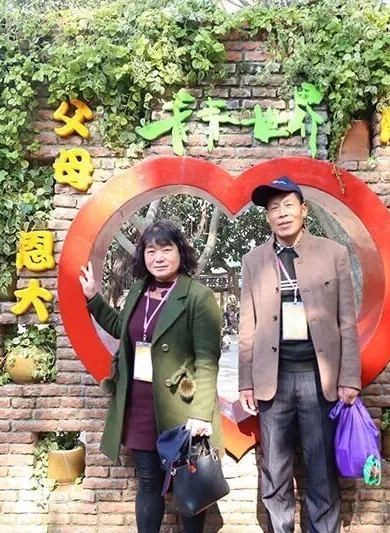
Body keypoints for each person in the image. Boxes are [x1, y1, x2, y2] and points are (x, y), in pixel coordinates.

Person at [79, 220, 223, 533]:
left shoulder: (198, 296)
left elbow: (207, 360)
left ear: (180, 253)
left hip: (181, 408)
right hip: (141, 406)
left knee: (188, 482)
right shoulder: (138, 291)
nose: (158, 257)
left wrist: (201, 415)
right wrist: (93, 298)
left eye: (166, 249)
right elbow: (122, 329)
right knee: (148, 482)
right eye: (150, 250)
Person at [238, 176, 361, 533]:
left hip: (318, 379)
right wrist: (246, 382)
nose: (281, 213)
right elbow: (247, 326)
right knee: (275, 470)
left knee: (321, 468)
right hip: (272, 381)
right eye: (273, 208)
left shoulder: (333, 254)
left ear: (304, 210)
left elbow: (347, 322)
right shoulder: (254, 261)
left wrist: (349, 378)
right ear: (267, 217)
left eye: (288, 205)